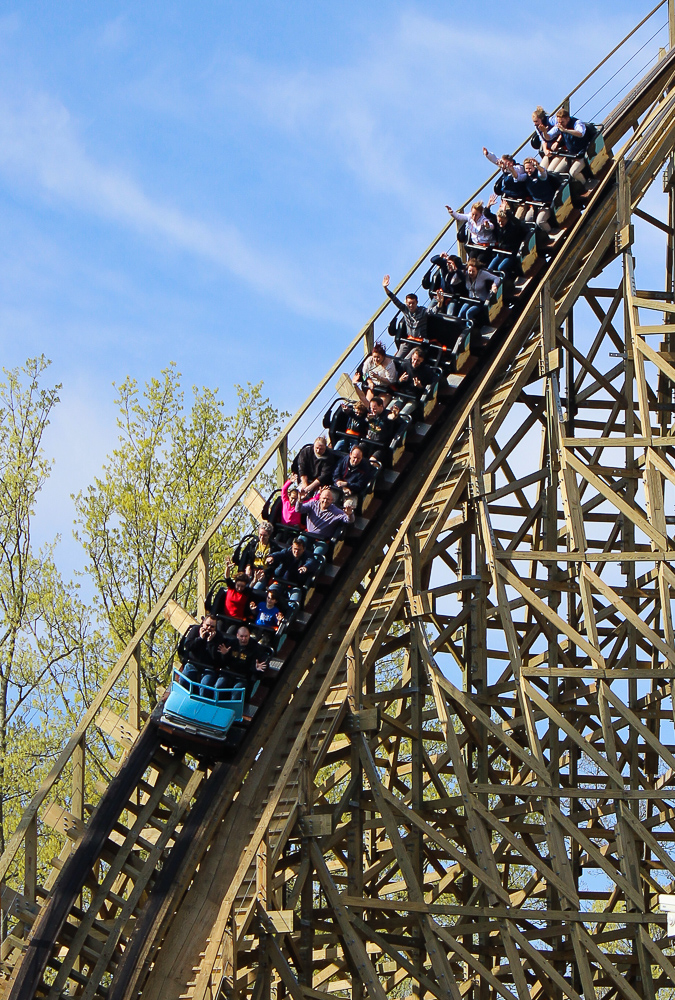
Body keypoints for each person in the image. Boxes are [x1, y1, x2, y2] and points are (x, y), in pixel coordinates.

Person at [295, 486, 356, 557]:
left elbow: (349, 520)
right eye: (324, 498)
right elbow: (298, 510)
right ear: (320, 497)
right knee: (297, 546)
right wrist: (300, 500)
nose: (325, 501)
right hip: (308, 535)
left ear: (332, 500)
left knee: (316, 556)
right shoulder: (313, 504)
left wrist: (350, 514)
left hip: (321, 540)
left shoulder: (336, 511)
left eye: (328, 499)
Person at [217, 625, 270, 704]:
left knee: (237, 691)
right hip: (229, 673)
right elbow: (223, 662)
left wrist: (256, 668)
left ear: (249, 636)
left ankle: (233, 709)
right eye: (241, 636)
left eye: (246, 636)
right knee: (219, 685)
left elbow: (259, 665)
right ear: (237, 635)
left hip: (243, 677)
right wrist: (224, 655)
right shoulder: (231, 644)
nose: (244, 639)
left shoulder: (255, 648)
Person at [178, 614, 229, 689]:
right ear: (203, 623)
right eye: (207, 625)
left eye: (212, 627)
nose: (209, 628)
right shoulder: (195, 630)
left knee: (205, 686)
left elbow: (216, 659)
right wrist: (200, 638)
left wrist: (210, 642)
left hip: (208, 668)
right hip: (193, 663)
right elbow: (188, 646)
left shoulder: (219, 637)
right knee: (183, 681)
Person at [267, 535, 318, 607]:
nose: (296, 552)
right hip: (280, 582)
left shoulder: (307, 556)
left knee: (294, 603)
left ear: (303, 549)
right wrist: (272, 557)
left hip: (295, 586)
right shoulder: (287, 552)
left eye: (299, 550)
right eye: (295, 549)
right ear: (292, 547)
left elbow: (312, 562)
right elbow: (279, 554)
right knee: (269, 595)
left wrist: (305, 567)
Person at [485, 194, 527, 279]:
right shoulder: (498, 223)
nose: (500, 223)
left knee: (501, 268)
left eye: (502, 221)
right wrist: (488, 205)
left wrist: (506, 212)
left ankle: (506, 282)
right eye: (499, 221)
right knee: (489, 269)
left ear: (507, 219)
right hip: (501, 253)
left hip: (510, 253)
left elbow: (518, 223)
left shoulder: (512, 226)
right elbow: (487, 214)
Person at [549, 108, 595, 186]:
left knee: (573, 172)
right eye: (559, 122)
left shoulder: (577, 123)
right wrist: (544, 132)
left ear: (568, 119)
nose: (560, 124)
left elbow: (580, 133)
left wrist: (566, 130)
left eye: (562, 122)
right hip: (571, 154)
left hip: (583, 153)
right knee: (556, 173)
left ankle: (586, 184)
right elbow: (549, 136)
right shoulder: (560, 125)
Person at [513, 158, 561, 231]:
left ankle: (551, 232)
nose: (528, 170)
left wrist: (538, 166)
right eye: (526, 169)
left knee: (540, 221)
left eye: (530, 168)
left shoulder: (539, 175)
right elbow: (517, 177)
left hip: (546, 204)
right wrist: (511, 170)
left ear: (534, 167)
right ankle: (541, 235)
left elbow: (543, 172)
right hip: (536, 204)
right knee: (528, 220)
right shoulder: (526, 177)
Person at [382, 275, 431, 344]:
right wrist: (385, 288)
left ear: (417, 302)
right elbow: (394, 299)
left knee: (414, 351)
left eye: (413, 303)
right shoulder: (405, 310)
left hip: (420, 342)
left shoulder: (422, 311)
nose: (411, 305)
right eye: (409, 303)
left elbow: (432, 311)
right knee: (401, 350)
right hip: (409, 340)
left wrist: (439, 303)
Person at [353, 341, 398, 406]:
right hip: (373, 386)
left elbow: (391, 380)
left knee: (379, 406)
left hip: (385, 388)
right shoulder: (369, 361)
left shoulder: (389, 364)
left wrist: (378, 377)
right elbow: (364, 374)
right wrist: (369, 382)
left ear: (383, 356)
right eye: (374, 357)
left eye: (378, 357)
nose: (376, 359)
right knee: (367, 404)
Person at [458, 258, 501, 325]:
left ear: (477, 270)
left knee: (468, 313)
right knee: (461, 313)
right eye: (469, 271)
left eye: (473, 271)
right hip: (471, 299)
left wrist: (494, 285)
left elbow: (497, 278)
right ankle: (459, 328)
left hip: (480, 301)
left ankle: (469, 328)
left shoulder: (482, 274)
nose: (471, 273)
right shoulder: (466, 274)